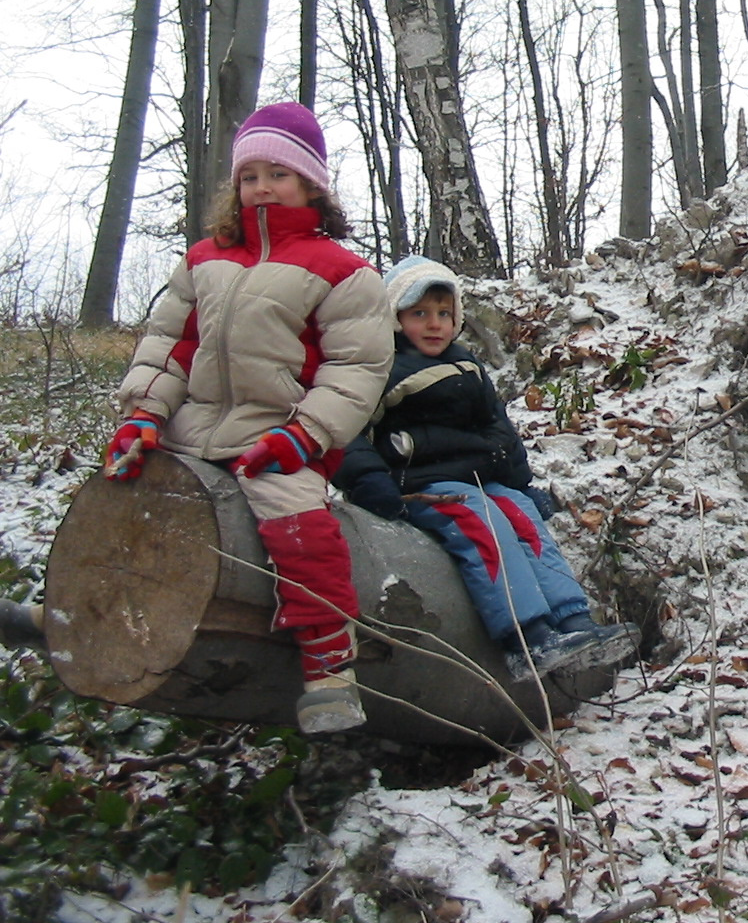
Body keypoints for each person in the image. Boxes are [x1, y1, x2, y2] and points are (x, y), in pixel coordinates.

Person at [103, 102, 393, 735]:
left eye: (278, 173)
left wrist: (306, 435)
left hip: (277, 432)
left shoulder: (341, 271)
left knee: (301, 528)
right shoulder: (206, 259)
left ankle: (327, 664)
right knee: (128, 492)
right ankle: (103, 619)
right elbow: (171, 344)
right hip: (193, 423)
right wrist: (144, 415)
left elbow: (356, 370)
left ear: (311, 183)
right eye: (249, 174)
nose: (261, 186)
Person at [334, 255, 639, 681]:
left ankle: (573, 621)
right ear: (395, 317)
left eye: (444, 313)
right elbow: (346, 430)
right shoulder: (380, 369)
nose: (434, 323)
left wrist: (520, 482)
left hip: (479, 477)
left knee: (519, 512)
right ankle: (526, 636)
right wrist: (370, 484)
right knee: (481, 521)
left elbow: (498, 428)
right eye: (420, 313)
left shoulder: (468, 364)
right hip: (419, 482)